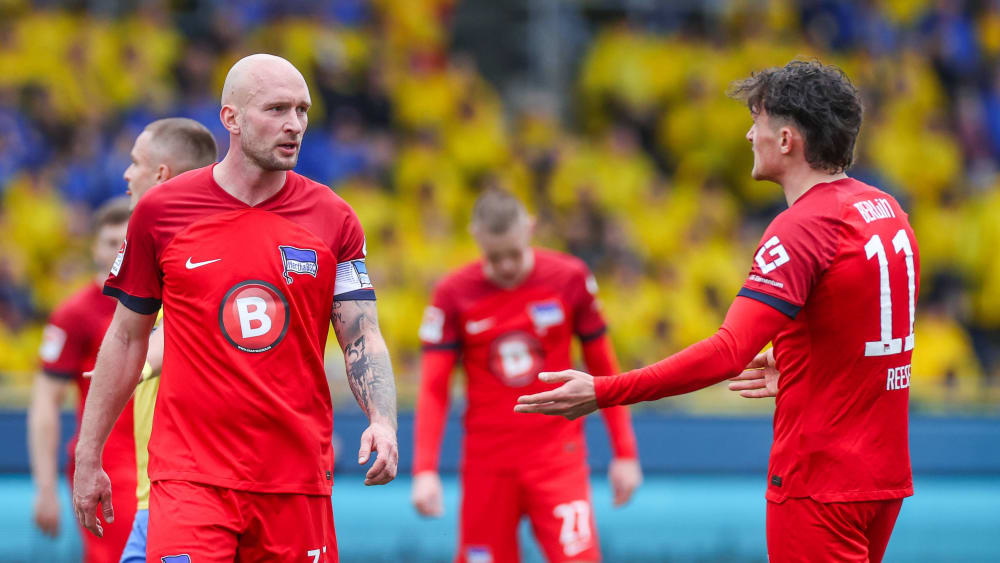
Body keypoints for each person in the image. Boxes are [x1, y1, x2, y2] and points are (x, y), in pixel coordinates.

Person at [515, 60, 919, 563]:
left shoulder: (802, 228)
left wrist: (604, 391)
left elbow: (728, 352)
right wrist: (801, 361)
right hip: (882, 476)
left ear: (788, 139)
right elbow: (872, 334)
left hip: (819, 480)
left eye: (758, 123)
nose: (751, 135)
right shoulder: (887, 212)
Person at [72, 53, 399, 562]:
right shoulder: (162, 212)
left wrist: (382, 419)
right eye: (276, 109)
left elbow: (360, 336)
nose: (294, 125)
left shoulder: (333, 218)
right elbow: (126, 336)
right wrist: (88, 457)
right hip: (190, 478)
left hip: (296, 478)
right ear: (232, 119)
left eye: (303, 111)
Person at [414, 189, 642, 563]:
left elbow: (604, 368)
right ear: (476, 239)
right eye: (494, 257)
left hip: (557, 459)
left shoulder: (569, 278)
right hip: (487, 465)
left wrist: (625, 453)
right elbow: (434, 389)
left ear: (530, 229)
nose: (505, 267)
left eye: (514, 254)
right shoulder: (452, 295)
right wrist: (425, 470)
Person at [115, 117, 218, 563]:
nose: (125, 174)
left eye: (135, 163)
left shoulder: (197, 247)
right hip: (156, 490)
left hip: (189, 494)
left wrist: (136, 363)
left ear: (161, 174)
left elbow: (178, 331)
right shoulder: (153, 241)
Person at [29, 197, 137, 562]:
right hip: (110, 468)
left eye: (127, 241)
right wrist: (45, 487)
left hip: (164, 461)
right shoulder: (75, 314)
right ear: (94, 247)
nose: (118, 251)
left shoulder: (164, 303)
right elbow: (46, 402)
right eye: (110, 242)